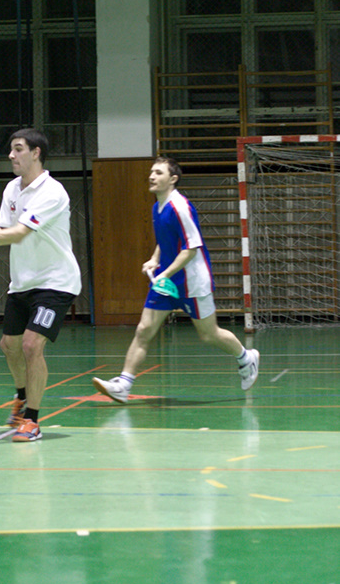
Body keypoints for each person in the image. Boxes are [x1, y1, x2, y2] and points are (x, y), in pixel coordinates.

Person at [93, 156, 259, 404]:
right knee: (144, 329)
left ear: (173, 179)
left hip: (192, 281)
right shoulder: (157, 207)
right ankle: (123, 385)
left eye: (158, 173)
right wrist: (154, 259)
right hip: (167, 281)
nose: (151, 176)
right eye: (151, 172)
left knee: (209, 334)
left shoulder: (180, 207)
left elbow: (190, 248)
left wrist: (165, 273)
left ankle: (246, 358)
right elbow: (166, 239)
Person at [0, 128, 81, 442]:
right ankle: (22, 395)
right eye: (11, 149)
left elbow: (20, 233)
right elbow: (4, 229)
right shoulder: (12, 188)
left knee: (31, 345)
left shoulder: (52, 192)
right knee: (9, 346)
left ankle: (32, 421)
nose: (11, 155)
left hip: (56, 282)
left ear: (36, 153)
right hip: (23, 282)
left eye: (18, 149)